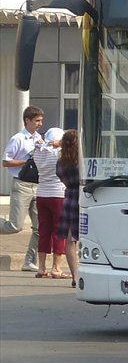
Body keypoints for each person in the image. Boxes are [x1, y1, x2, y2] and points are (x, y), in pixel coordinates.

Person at [1, 106, 44, 272]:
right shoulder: (18, 138)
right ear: (27, 120)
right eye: (37, 120)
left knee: (40, 228)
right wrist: (26, 160)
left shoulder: (39, 137)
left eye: (41, 120)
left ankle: (29, 261)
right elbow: (6, 162)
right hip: (21, 184)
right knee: (15, 226)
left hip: (37, 185)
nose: (40, 123)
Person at [33, 127, 68, 279]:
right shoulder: (60, 153)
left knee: (44, 231)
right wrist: (61, 143)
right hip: (58, 194)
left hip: (41, 194)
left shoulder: (38, 152)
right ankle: (56, 267)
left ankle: (41, 267)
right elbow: (72, 146)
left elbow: (41, 146)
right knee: (59, 231)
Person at [56, 129, 81, 288]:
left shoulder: (61, 161)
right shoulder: (83, 160)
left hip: (70, 196)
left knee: (70, 239)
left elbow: (61, 178)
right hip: (85, 195)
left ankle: (75, 276)